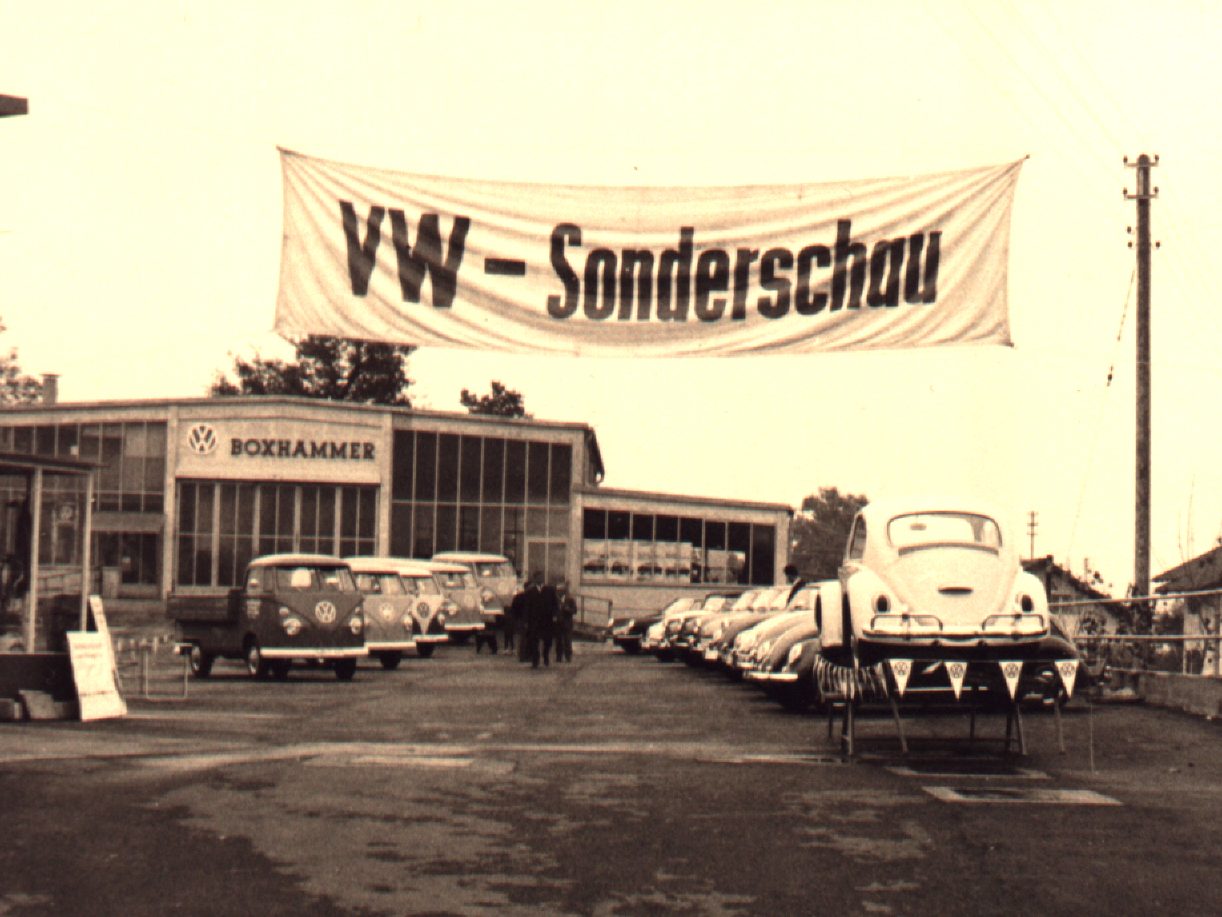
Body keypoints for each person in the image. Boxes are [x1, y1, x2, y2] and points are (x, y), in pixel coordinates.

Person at [526, 571, 558, 668]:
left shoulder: (550, 590)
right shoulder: (530, 592)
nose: (540, 579)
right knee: (534, 641)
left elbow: (555, 604)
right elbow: (527, 607)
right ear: (535, 579)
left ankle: (545, 655)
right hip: (534, 620)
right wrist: (526, 620)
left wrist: (555, 615)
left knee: (548, 640)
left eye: (541, 577)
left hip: (547, 620)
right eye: (537, 578)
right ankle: (535, 661)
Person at [554, 579, 577, 662]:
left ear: (564, 592)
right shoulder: (555, 600)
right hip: (558, 623)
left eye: (561, 591)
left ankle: (568, 656)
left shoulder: (570, 600)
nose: (559, 593)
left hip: (567, 623)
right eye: (558, 591)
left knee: (567, 640)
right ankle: (559, 656)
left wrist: (568, 609)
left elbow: (575, 610)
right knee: (559, 640)